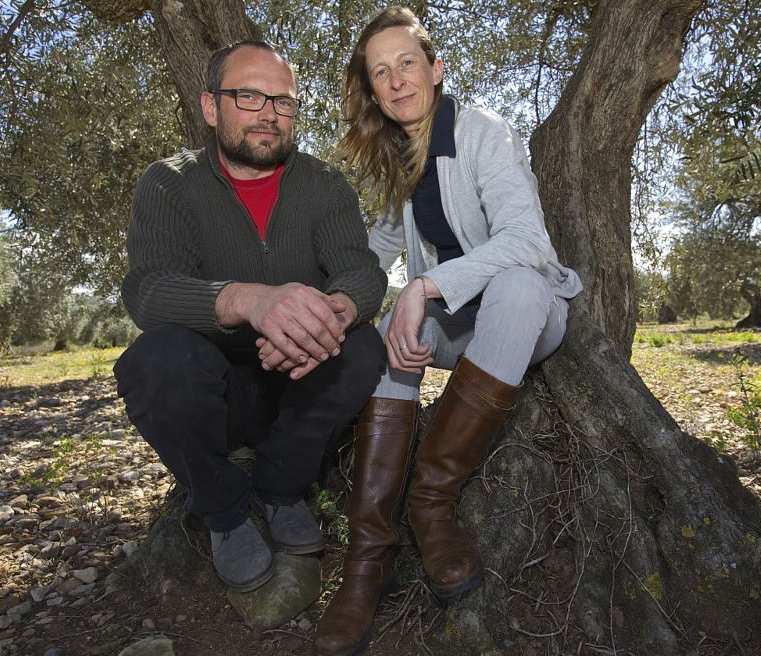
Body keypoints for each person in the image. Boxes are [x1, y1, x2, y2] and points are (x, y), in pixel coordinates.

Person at [312, 7, 583, 655]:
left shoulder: (485, 133)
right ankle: (367, 561)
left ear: (435, 69)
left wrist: (425, 287)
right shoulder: (397, 157)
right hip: (456, 328)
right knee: (379, 344)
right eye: (381, 72)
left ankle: (431, 503)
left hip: (526, 316)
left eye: (407, 63)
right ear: (373, 90)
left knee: (518, 285)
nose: (396, 80)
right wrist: (335, 311)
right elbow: (372, 255)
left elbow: (529, 243)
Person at [113, 41, 388, 594]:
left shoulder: (324, 185)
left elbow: (361, 272)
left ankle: (282, 490)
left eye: (283, 102)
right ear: (211, 107)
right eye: (249, 96)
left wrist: (327, 319)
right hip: (215, 393)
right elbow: (149, 290)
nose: (269, 113)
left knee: (362, 348)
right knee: (153, 361)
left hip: (297, 384)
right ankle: (223, 511)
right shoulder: (168, 183)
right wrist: (249, 300)